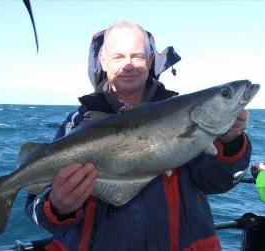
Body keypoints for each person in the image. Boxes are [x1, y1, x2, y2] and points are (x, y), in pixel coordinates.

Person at [25, 20, 251, 251]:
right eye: (118, 56)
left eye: (138, 56)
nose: (129, 65)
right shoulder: (77, 123)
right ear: (103, 60)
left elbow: (218, 181)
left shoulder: (185, 114)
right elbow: (36, 209)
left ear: (151, 60)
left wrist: (231, 143)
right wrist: (58, 206)